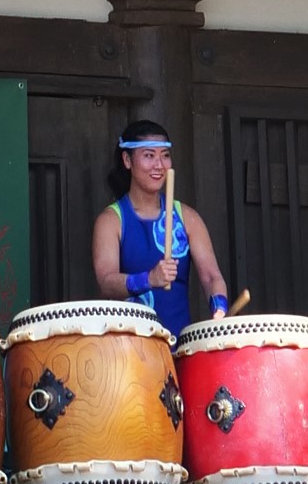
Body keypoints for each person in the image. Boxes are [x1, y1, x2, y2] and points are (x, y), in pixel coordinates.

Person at [89, 119, 229, 336]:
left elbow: (212, 277)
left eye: (165, 155)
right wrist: (149, 279)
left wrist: (219, 309)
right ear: (127, 160)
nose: (159, 165)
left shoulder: (187, 218)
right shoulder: (111, 220)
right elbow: (106, 282)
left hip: (179, 347)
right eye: (148, 155)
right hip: (130, 351)